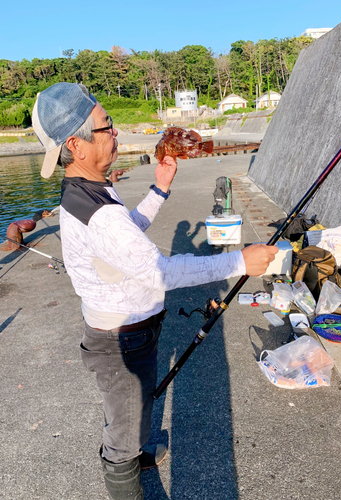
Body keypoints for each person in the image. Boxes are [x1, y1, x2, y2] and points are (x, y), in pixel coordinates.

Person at [32, 82, 278, 500]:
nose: (116, 134)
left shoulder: (85, 190)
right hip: (120, 342)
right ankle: (126, 462)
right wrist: (240, 262)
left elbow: (125, 239)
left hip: (129, 331)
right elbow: (158, 272)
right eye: (107, 127)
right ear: (77, 143)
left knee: (139, 403)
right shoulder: (97, 209)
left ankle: (139, 452)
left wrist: (159, 189)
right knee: (123, 430)